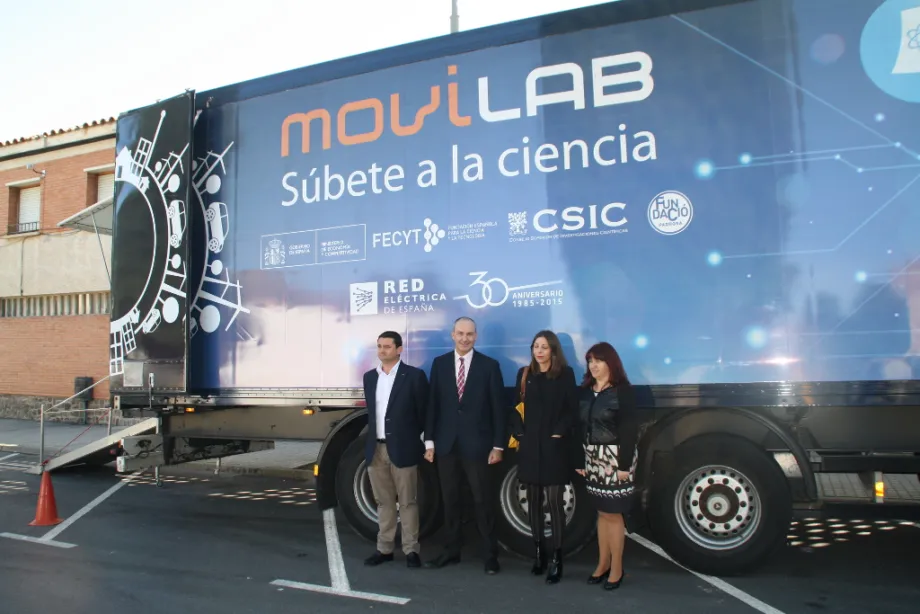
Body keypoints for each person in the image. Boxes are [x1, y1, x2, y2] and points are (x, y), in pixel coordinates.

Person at [423, 316, 506, 574]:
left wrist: (498, 446)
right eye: (460, 333)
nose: (464, 338)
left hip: (478, 446)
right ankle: (451, 551)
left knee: (482, 501)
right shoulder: (439, 364)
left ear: (476, 336)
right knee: (450, 500)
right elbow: (433, 405)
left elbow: (498, 409)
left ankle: (490, 555)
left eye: (469, 334)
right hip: (446, 444)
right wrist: (429, 442)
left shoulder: (489, 366)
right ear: (452, 334)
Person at [509, 330, 578, 584]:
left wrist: (559, 433)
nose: (539, 351)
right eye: (536, 346)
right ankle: (539, 554)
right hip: (530, 448)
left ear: (553, 351)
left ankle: (558, 558)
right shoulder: (524, 374)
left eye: (544, 347)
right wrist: (520, 433)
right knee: (534, 502)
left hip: (554, 448)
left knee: (555, 503)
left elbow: (572, 410)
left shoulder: (565, 374)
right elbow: (515, 408)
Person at [361, 331, 430, 569]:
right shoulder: (370, 377)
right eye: (379, 346)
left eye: (387, 346)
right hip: (376, 449)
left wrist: (420, 441)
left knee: (408, 502)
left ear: (399, 350)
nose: (382, 351)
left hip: (403, 448)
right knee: (384, 502)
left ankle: (411, 550)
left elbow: (423, 413)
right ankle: (384, 549)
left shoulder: (414, 376)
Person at [574, 341, 639, 591]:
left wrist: (624, 465)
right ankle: (602, 564)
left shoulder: (623, 391)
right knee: (602, 512)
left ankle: (617, 568)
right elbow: (579, 427)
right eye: (590, 361)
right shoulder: (585, 392)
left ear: (610, 362)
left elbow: (630, 429)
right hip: (592, 458)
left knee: (613, 513)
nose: (593, 366)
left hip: (615, 459)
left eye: (598, 361)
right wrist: (580, 460)